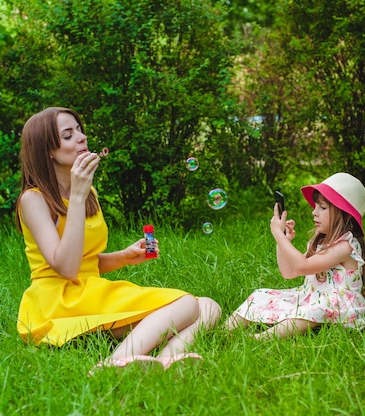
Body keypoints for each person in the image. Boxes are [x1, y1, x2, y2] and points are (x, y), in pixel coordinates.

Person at [14, 107, 221, 372]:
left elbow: (84, 260)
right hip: (59, 301)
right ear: (48, 151)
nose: (81, 137)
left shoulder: (88, 194)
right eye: (68, 135)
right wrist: (77, 195)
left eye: (79, 129)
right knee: (186, 304)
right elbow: (65, 267)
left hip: (89, 292)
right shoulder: (34, 199)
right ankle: (112, 364)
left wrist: (123, 257)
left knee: (208, 307)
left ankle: (163, 363)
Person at [225, 172, 365, 339]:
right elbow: (290, 272)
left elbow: (303, 266)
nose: (314, 212)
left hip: (339, 308)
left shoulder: (346, 246)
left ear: (344, 215)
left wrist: (278, 235)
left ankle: (261, 338)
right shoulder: (320, 242)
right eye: (315, 206)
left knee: (316, 308)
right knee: (262, 294)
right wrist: (284, 242)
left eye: (322, 208)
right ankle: (224, 331)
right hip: (312, 297)